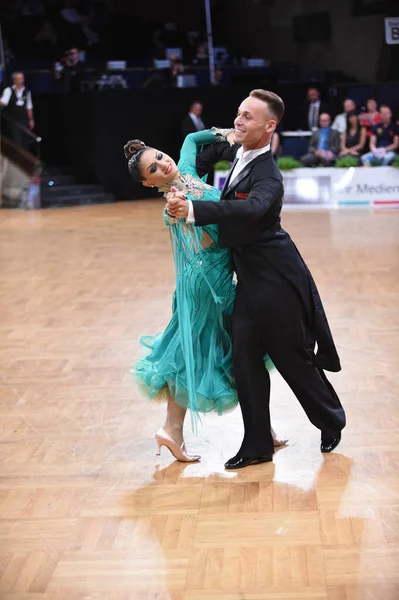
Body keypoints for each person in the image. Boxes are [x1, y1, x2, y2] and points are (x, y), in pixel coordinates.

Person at [166, 89, 346, 470]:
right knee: (244, 361)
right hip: (248, 281)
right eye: (238, 113)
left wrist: (195, 209)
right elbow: (200, 149)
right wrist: (217, 139)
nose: (239, 121)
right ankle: (257, 444)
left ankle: (331, 419)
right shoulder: (239, 151)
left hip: (277, 280)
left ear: (270, 126)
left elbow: (253, 208)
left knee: (291, 358)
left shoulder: (269, 175)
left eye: (248, 117)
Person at [124, 129, 285, 462]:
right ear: (148, 184)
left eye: (159, 157)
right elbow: (175, 215)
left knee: (223, 352)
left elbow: (191, 140)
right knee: (216, 353)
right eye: (153, 169)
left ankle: (176, 430)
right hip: (210, 286)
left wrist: (223, 132)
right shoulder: (173, 200)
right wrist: (175, 208)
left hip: (219, 278)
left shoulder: (186, 170)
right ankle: (182, 430)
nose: (162, 165)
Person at [0, 71, 35, 150]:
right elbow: (4, 102)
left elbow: (29, 106)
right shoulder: (8, 90)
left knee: (25, 142)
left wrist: (31, 119)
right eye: (18, 79)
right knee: (17, 142)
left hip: (24, 120)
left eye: (22, 79)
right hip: (13, 121)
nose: (20, 81)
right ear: (14, 80)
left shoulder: (26, 91)